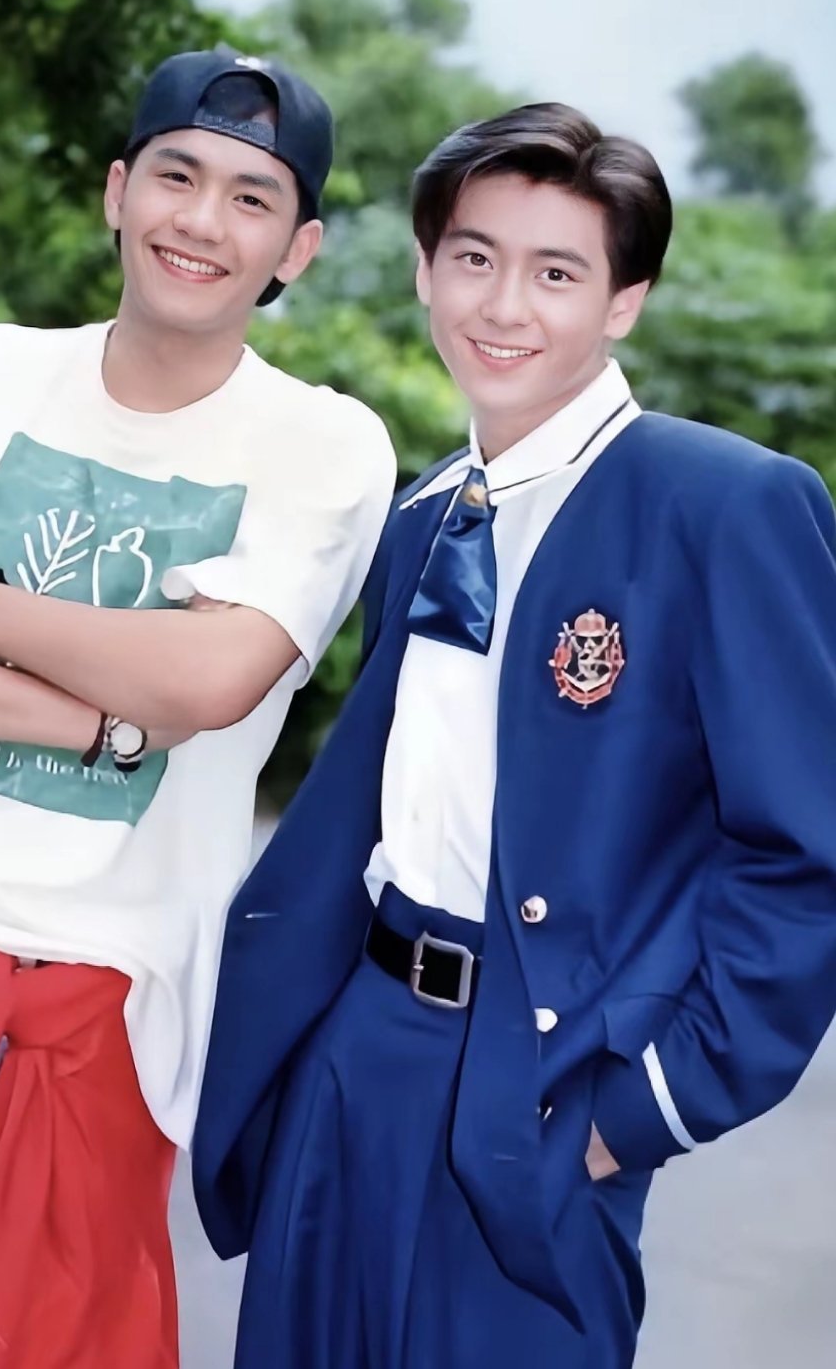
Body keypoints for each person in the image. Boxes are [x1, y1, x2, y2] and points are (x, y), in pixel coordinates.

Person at [0, 47, 395, 1369]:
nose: (201, 220)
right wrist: (102, 723)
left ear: (299, 248)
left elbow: (208, 681)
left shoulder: (323, 443)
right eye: (175, 175)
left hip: (101, 1001)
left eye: (251, 198)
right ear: (116, 191)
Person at [193, 102, 836, 1368]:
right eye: (475, 257)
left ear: (624, 301)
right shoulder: (425, 514)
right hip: (353, 1047)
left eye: (557, 273)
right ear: (425, 270)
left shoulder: (727, 505)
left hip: (542, 1089)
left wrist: (642, 1108)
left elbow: (806, 853)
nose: (502, 304)